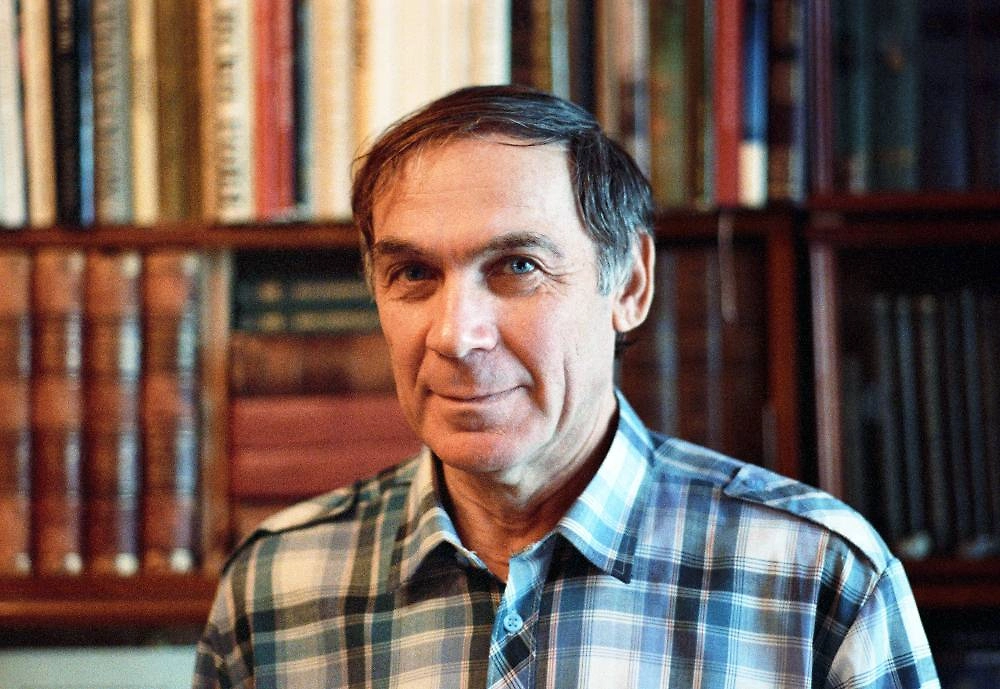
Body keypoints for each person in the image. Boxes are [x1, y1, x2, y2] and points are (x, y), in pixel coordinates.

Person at [192, 85, 939, 689]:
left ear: (630, 285)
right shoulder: (272, 590)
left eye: (518, 267)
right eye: (413, 273)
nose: (456, 334)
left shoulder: (817, 581)